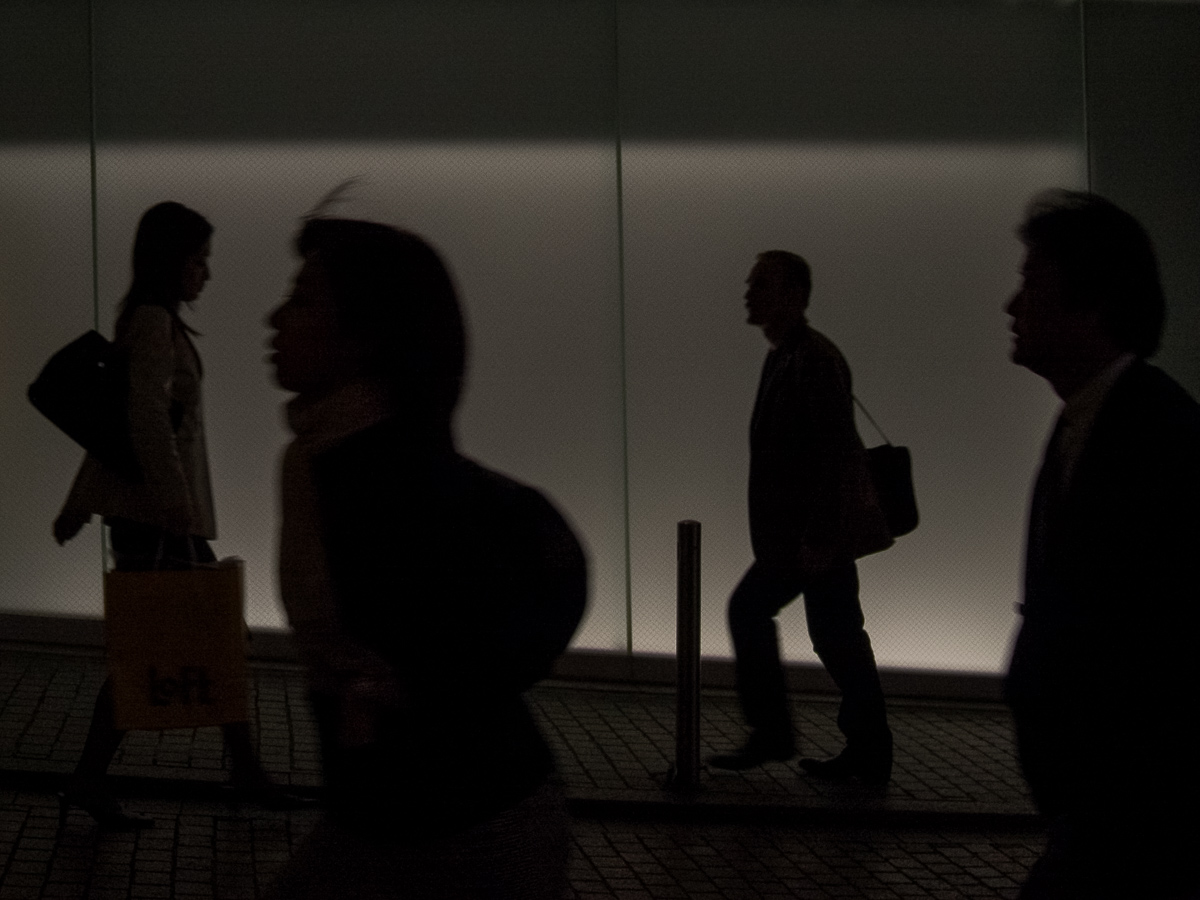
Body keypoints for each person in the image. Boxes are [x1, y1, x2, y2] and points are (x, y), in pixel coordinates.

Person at [263, 216, 587, 899]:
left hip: (466, 833)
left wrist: (409, 688)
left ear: (365, 335)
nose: (274, 318)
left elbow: (543, 579)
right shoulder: (325, 457)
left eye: (303, 299)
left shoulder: (387, 475)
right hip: (385, 823)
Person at [54, 201, 297, 829]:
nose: (206, 274)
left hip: (151, 516)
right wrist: (177, 505)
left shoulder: (147, 321)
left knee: (190, 638)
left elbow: (119, 432)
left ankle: (231, 770)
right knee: (197, 638)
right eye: (198, 260)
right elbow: (141, 425)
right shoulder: (155, 323)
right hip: (159, 519)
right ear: (171, 261)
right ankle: (239, 772)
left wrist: (81, 505)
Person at [1004, 190, 1200, 898]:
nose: (1011, 304)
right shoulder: (1089, 421)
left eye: (1031, 282)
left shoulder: (1160, 440)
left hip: (1133, 819)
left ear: (1091, 304)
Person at [709, 250, 895, 786]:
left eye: (760, 284)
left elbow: (836, 453)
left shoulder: (810, 360)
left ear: (793, 294)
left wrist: (819, 536)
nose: (748, 292)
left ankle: (784, 734)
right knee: (837, 635)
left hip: (809, 536)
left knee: (764, 614)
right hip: (805, 535)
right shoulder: (793, 356)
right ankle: (864, 750)